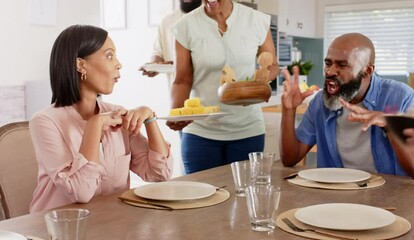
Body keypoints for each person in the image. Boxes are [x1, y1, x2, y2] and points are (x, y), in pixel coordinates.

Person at [29, 25, 173, 213]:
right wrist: (94, 125)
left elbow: (159, 174)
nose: (119, 64)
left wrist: (150, 118)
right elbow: (81, 192)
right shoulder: (44, 122)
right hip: (58, 228)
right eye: (109, 56)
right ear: (81, 65)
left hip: (110, 223)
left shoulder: (117, 115)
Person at [280, 32, 414, 179]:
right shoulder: (320, 103)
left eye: (342, 65)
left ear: (367, 70)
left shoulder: (400, 97)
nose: (330, 72)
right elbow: (289, 159)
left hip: (391, 196)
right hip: (336, 195)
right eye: (328, 63)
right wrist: (289, 110)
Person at [168, 0, 279, 174]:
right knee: (200, 196)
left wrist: (256, 86)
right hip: (200, 132)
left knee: (243, 194)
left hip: (247, 129)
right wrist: (177, 113)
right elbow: (182, 80)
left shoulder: (256, 20)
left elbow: (272, 66)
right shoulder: (185, 26)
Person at [140, 0, 202, 78]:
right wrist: (154, 66)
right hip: (176, 88)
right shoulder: (167, 21)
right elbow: (158, 53)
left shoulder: (215, 19)